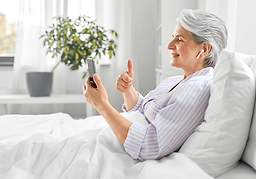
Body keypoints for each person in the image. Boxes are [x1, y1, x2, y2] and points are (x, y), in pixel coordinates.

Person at [83, 9, 227, 161]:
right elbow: (143, 110)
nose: (170, 45)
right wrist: (128, 90)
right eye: (173, 38)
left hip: (114, 152)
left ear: (204, 49)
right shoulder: (177, 81)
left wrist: (101, 105)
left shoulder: (197, 89)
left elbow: (148, 146)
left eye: (179, 40)